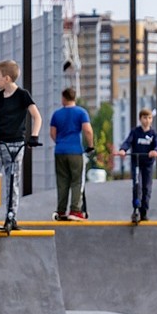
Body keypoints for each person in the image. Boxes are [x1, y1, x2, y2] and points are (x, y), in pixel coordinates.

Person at [0, 61, 42, 232]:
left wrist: (34, 136)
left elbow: (37, 116)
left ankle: (11, 215)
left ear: (7, 78)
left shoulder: (23, 95)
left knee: (12, 182)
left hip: (16, 145)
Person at [49, 87, 93, 221]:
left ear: (64, 98)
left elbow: (52, 133)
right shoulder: (81, 112)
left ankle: (61, 211)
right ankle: (75, 210)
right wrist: (90, 146)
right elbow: (87, 130)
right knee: (76, 181)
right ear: (74, 98)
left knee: (62, 181)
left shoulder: (56, 114)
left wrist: (60, 143)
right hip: (75, 151)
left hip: (60, 151)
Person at [119, 108, 157, 222]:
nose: (147, 120)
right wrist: (123, 149)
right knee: (137, 185)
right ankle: (135, 208)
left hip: (148, 164)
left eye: (149, 118)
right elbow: (128, 142)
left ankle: (144, 210)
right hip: (136, 163)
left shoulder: (153, 133)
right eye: (145, 118)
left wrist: (155, 151)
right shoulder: (135, 131)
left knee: (147, 187)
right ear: (140, 119)